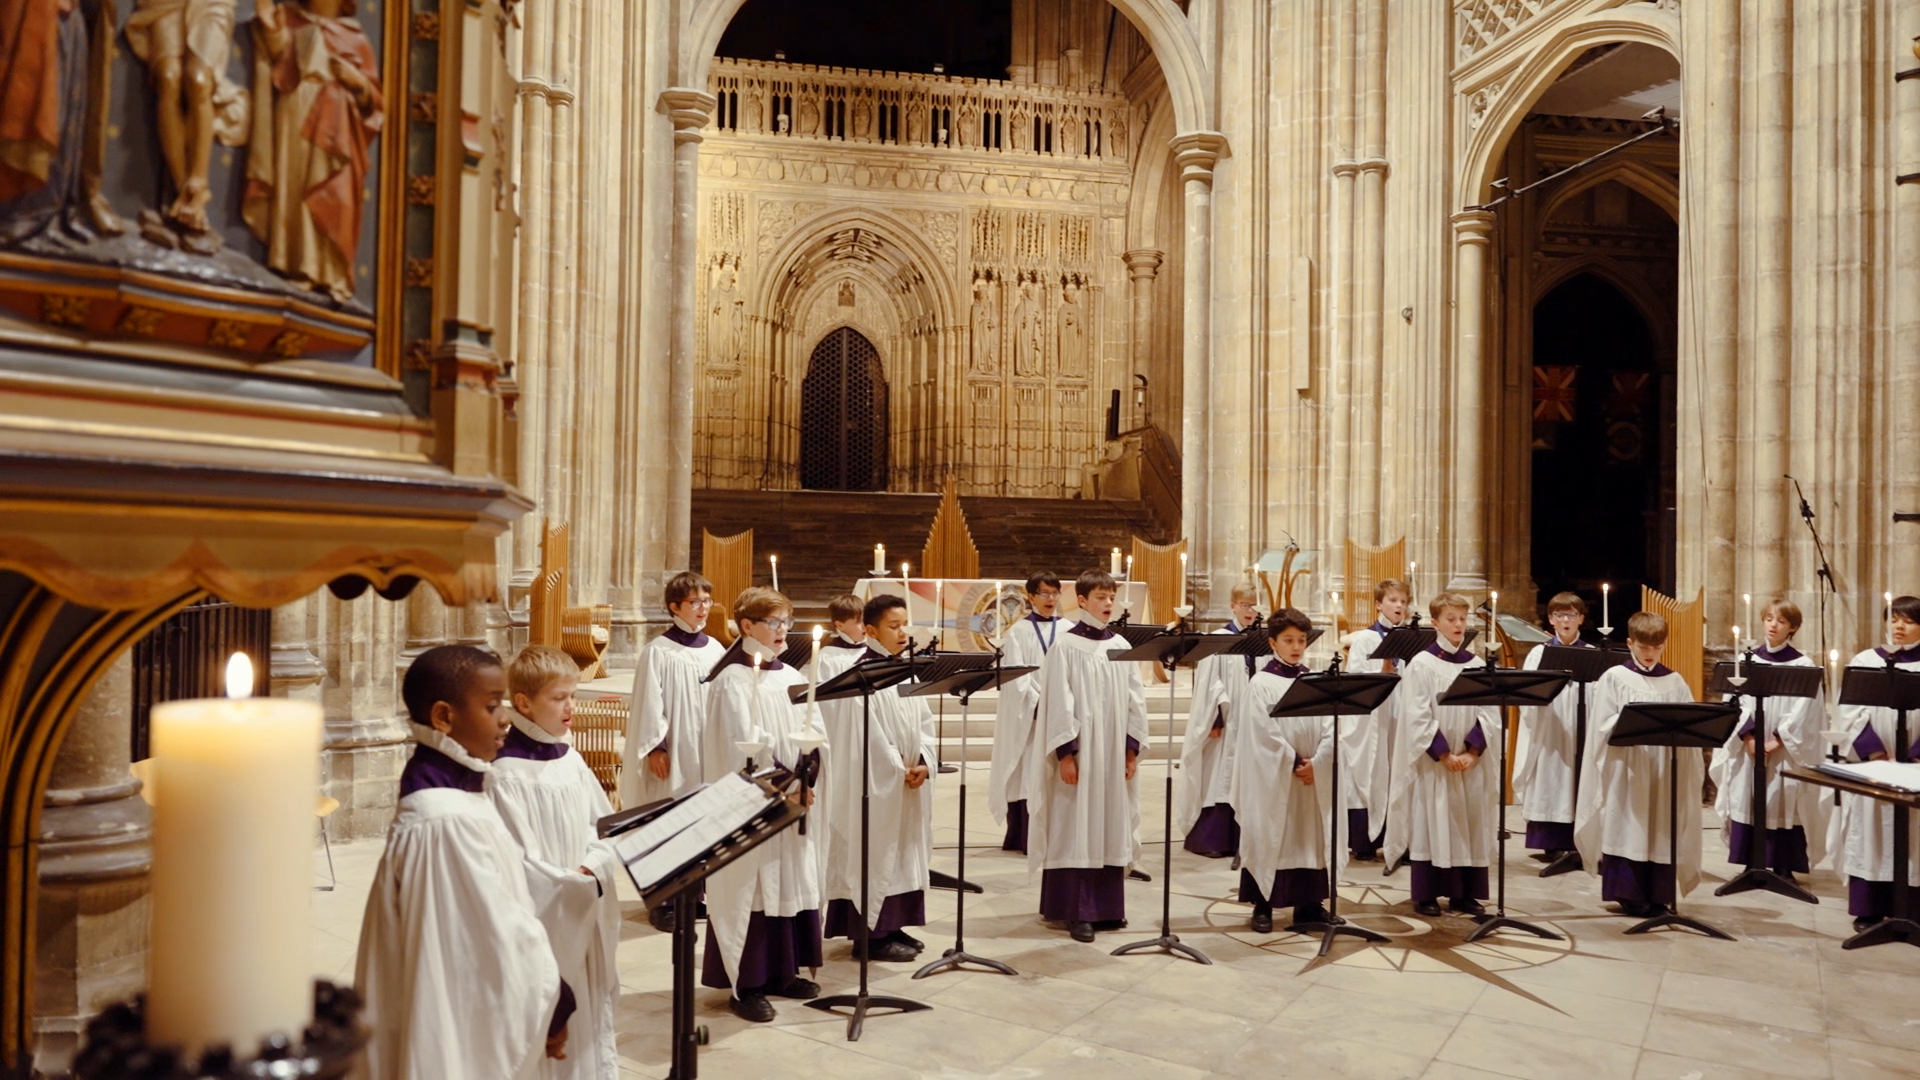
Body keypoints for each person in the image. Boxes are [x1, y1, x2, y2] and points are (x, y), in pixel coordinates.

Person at [355, 645, 573, 1079]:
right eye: (492, 706)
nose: (505, 718)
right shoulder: (442, 821)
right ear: (443, 717)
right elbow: (489, 943)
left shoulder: (461, 792)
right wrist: (556, 999)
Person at [490, 645, 622, 1080]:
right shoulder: (506, 772)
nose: (571, 707)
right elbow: (521, 864)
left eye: (574, 695)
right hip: (552, 919)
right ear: (523, 703)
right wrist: (575, 882)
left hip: (584, 898)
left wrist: (594, 865)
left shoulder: (570, 756)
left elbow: (600, 826)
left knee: (590, 1011)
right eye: (559, 697)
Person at [699, 587, 825, 1023]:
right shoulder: (731, 681)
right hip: (752, 806)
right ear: (746, 626)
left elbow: (815, 726)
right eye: (772, 622)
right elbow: (742, 746)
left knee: (789, 879)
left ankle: (783, 973)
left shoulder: (790, 674)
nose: (782, 630)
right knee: (751, 887)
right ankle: (747, 983)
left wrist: (808, 777)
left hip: (793, 799)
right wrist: (786, 784)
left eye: (786, 622)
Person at [1027, 570, 1148, 942]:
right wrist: (1066, 754)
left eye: (1112, 597)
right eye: (1100, 597)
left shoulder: (1122, 645)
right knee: (1076, 824)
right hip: (1081, 755)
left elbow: (1135, 701)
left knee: (1110, 821)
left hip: (1112, 755)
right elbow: (1059, 706)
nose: (1108, 604)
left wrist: (1130, 750)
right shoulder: (1065, 646)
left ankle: (1107, 909)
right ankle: (1076, 910)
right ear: (1081, 601)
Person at [821, 595, 933, 962]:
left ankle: (893, 924)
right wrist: (897, 769)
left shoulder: (907, 670)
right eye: (894, 626)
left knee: (902, 852)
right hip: (878, 783)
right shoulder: (860, 676)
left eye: (905, 625)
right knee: (875, 849)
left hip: (907, 781)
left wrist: (926, 761)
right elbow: (862, 735)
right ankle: (870, 936)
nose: (903, 632)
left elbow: (925, 724)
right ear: (870, 630)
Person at [1574, 611, 1699, 918]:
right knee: (1629, 825)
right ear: (1630, 643)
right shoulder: (1615, 678)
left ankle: (1659, 894)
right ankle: (1628, 893)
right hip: (1627, 768)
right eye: (1643, 646)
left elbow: (1691, 727)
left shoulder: (1675, 681)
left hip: (1662, 769)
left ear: (1664, 646)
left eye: (1655, 647)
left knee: (1660, 825)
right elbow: (1601, 726)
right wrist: (1631, 721)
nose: (1648, 653)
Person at [622, 571, 725, 930]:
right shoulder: (658, 652)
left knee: (701, 819)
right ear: (674, 607)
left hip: (704, 750)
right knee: (670, 819)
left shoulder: (715, 649)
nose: (703, 609)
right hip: (675, 751)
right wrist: (656, 748)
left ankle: (693, 895)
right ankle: (663, 901)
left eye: (707, 601)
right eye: (695, 602)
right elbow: (650, 704)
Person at [1386, 592, 1497, 918]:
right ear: (1435, 623)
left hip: (1469, 763)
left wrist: (1474, 750)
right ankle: (1428, 892)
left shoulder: (1477, 665)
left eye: (1463, 619)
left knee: (1469, 823)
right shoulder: (1422, 664)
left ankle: (1466, 894)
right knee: (1433, 820)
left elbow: (1490, 712)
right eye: (1451, 619)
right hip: (1436, 763)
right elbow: (1416, 715)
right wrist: (1445, 754)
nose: (1459, 625)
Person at [1232, 608, 1337, 933]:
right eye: (1288, 640)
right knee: (1271, 831)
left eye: (1301, 640)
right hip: (1276, 777)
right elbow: (1261, 733)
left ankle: (1310, 905)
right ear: (1272, 642)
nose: (1296, 647)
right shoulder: (1261, 683)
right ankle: (1264, 903)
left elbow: (1331, 725)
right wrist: (1293, 762)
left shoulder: (1314, 679)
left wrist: (1318, 762)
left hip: (1310, 775)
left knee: (1309, 837)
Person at [1710, 599, 1830, 883]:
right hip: (1749, 748)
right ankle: (1750, 861)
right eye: (1769, 618)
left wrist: (1777, 740)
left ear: (1793, 628)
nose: (1773, 625)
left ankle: (1783, 865)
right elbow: (1734, 701)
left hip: (1784, 750)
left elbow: (1806, 709)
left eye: (1781, 621)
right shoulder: (1745, 661)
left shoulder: (1803, 664)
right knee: (1748, 796)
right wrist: (1750, 737)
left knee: (1782, 800)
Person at [1834, 594, 1920, 932]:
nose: (1898, 626)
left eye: (1909, 621)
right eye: (1894, 619)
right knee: (1871, 833)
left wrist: (1913, 754)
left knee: (1913, 836)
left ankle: (1911, 909)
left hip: (1914, 765)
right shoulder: (1866, 660)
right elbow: (1849, 711)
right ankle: (1869, 908)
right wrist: (1874, 753)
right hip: (1874, 764)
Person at [1175, 583, 1260, 858]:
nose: (1251, 610)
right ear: (1233, 606)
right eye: (1245, 604)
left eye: (1255, 605)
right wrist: (1215, 719)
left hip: (1252, 724)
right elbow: (1210, 684)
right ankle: (1213, 839)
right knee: (1220, 778)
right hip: (1226, 723)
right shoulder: (1219, 640)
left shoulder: (1262, 640)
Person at [989, 572, 1065, 853]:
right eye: (1044, 594)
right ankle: (1024, 837)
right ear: (1030, 598)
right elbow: (1016, 677)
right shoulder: (1019, 632)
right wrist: (1039, 704)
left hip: (1060, 714)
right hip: (1031, 717)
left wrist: (1060, 706)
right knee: (1026, 773)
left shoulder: (1069, 629)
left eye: (1055, 593)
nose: (1050, 599)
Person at [1515, 591, 1594, 863]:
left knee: (1576, 781)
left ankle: (1577, 840)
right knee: (1549, 780)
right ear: (1551, 620)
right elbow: (1528, 694)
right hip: (1549, 731)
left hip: (1579, 733)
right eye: (1560, 615)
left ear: (1581, 619)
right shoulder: (1540, 653)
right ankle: (1550, 842)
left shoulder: (1592, 655)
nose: (1566, 620)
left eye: (1571, 614)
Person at [1342, 578, 1412, 861]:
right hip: (1373, 718)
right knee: (1371, 771)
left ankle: (1398, 839)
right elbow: (1355, 681)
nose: (1399, 606)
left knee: (1398, 771)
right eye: (1393, 600)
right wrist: (1382, 672)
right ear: (1378, 604)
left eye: (1403, 601)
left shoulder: (1408, 639)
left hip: (1398, 714)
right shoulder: (1365, 639)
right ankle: (1364, 841)